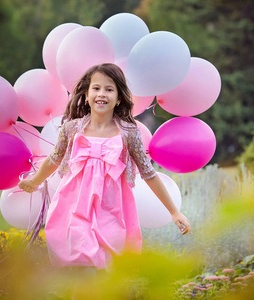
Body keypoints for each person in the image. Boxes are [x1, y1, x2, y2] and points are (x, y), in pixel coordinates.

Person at [18, 63, 191, 271]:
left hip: (111, 213)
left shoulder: (128, 133)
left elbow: (149, 174)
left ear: (118, 98)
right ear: (87, 94)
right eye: (96, 88)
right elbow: (54, 159)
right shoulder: (72, 129)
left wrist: (174, 211)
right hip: (74, 209)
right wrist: (34, 181)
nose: (102, 94)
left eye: (109, 89)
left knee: (104, 272)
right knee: (84, 269)